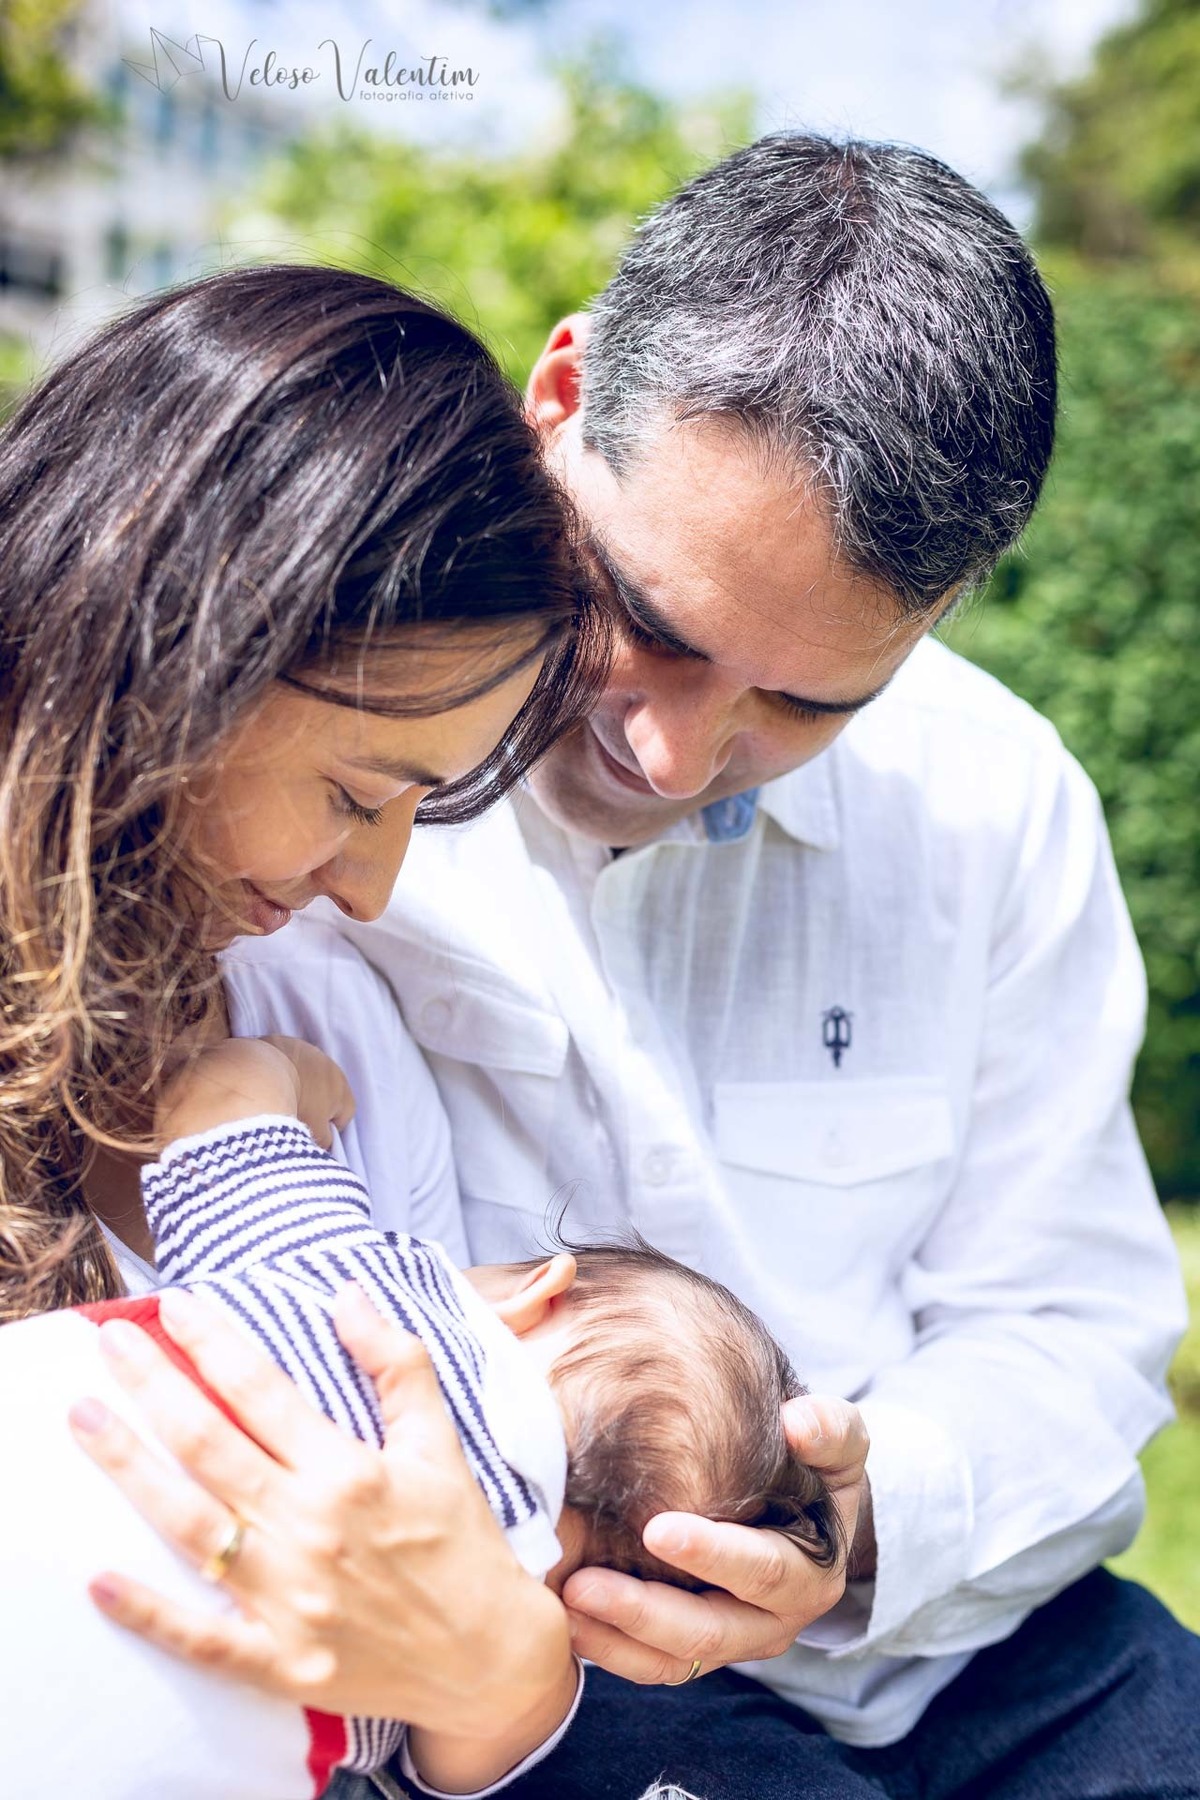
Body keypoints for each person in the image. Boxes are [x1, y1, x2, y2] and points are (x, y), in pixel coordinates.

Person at [65, 137, 1196, 1795]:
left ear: (943, 611)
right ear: (564, 391)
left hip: (966, 1642)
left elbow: (1070, 1325)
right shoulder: (312, 752)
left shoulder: (991, 798)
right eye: (649, 617)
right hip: (541, 1677)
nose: (673, 752)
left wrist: (845, 1533)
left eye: (803, 704)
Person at [0, 259, 622, 1797]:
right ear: (162, 649)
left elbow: (420, 1682)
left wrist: (504, 1673)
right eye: (355, 792)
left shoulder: (319, 1026)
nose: (369, 878)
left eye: (422, 808)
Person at [0, 1027, 838, 1796]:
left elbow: (210, 1099)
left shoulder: (361, 1286)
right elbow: (463, 1770)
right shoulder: (521, 1644)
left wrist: (299, 1074)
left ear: (537, 1292)